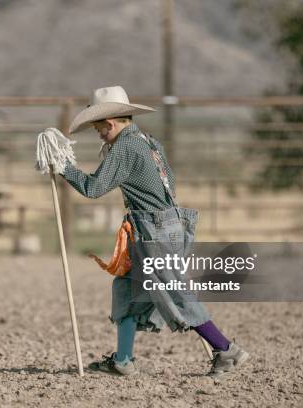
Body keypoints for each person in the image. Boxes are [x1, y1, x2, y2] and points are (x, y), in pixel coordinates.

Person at [58, 86, 249, 378]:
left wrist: (62, 167)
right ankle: (123, 360)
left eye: (99, 129)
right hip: (164, 225)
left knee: (174, 291)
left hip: (154, 231)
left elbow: (93, 188)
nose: (99, 135)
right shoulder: (148, 141)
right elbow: (168, 180)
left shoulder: (124, 146)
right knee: (127, 287)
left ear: (110, 124)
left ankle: (225, 349)